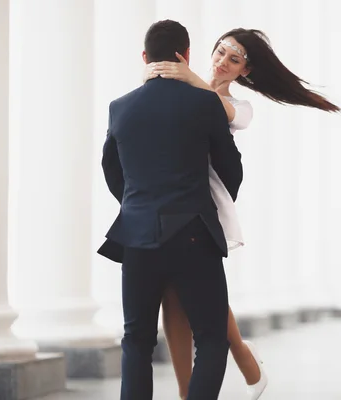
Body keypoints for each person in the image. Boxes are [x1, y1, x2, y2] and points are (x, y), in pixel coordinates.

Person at [143, 28, 339, 400]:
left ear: (244, 72)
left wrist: (189, 77)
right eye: (220, 52)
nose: (221, 62)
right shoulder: (181, 88)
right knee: (177, 291)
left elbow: (219, 111)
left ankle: (229, 366)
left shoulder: (238, 108)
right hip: (167, 198)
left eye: (234, 60)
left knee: (196, 289)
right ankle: (218, 372)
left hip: (204, 203)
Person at [97, 20, 244, 400]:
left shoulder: (120, 107)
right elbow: (231, 169)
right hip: (194, 232)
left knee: (137, 342)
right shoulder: (205, 103)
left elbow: (111, 170)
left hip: (137, 236)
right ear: (187, 55)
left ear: (145, 57)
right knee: (212, 339)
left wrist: (140, 204)